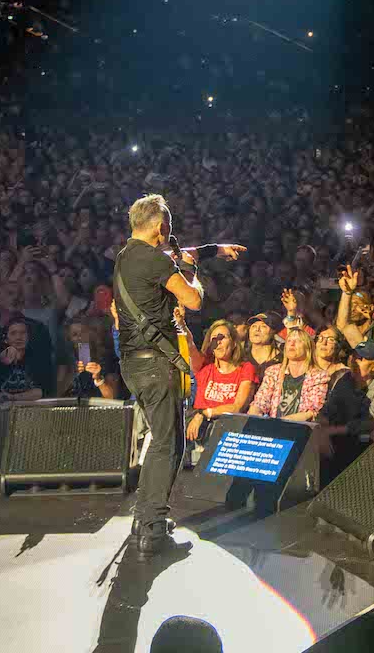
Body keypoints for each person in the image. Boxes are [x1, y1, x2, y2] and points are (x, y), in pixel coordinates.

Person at [112, 193, 243, 556]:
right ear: (159, 226)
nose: (170, 233)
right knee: (168, 444)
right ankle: (152, 528)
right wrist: (193, 273)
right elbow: (194, 300)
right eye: (167, 227)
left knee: (165, 440)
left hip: (134, 364)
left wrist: (215, 248)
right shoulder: (153, 260)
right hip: (156, 364)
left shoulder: (127, 255)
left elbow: (178, 252)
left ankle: (146, 515)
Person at [187, 320, 254, 442]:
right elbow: (189, 344)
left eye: (222, 337)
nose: (218, 342)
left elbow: (237, 407)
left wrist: (204, 414)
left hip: (226, 425)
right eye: (214, 339)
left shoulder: (246, 368)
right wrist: (181, 325)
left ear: (234, 343)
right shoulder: (204, 367)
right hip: (198, 427)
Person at [249, 327, 330, 420]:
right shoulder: (273, 371)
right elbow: (260, 402)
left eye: (298, 341)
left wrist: (279, 423)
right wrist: (253, 416)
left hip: (300, 429)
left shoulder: (319, 376)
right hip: (271, 427)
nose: (292, 344)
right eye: (289, 341)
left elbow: (312, 412)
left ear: (308, 348)